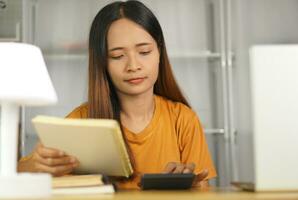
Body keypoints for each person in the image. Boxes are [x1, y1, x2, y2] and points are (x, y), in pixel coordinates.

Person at [18, 0, 217, 189]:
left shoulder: (183, 119)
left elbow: (204, 190)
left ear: (159, 52)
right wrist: (36, 166)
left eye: (144, 52)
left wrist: (188, 186)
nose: (133, 66)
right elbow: (17, 172)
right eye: (118, 56)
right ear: (102, 63)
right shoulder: (81, 121)